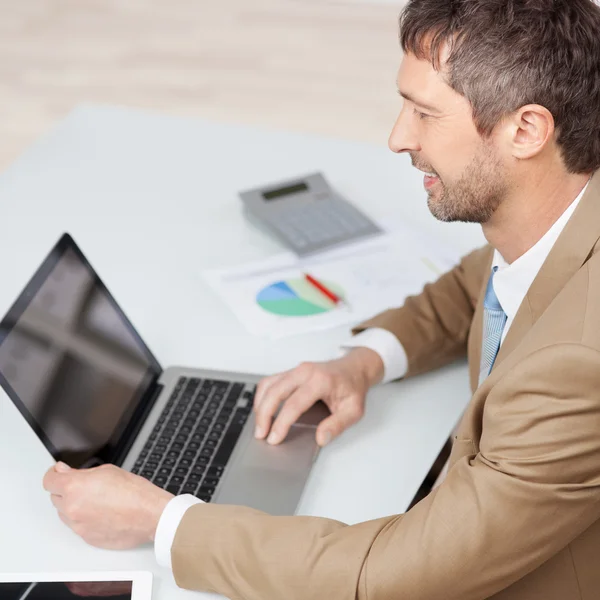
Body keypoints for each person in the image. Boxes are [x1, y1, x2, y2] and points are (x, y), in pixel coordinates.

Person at [42, 0, 600, 598]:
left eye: (424, 113)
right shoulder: (558, 218)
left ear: (527, 130)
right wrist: (360, 364)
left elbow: (398, 577)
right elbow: (476, 286)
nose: (396, 138)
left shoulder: (575, 365)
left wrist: (161, 522)